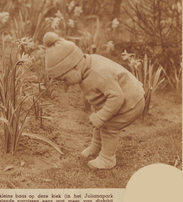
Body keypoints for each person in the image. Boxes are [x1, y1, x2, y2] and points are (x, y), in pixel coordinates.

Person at [43, 32, 145, 169]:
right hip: (120, 98)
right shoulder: (85, 68)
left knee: (109, 127)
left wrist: (102, 115)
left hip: (131, 101)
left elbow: (117, 97)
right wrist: (99, 112)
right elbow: (99, 94)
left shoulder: (99, 73)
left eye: (64, 79)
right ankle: (96, 146)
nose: (65, 83)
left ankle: (107, 159)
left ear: (75, 67)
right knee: (100, 122)